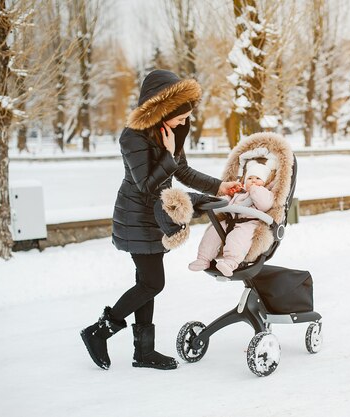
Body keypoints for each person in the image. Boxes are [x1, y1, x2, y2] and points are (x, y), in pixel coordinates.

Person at [80, 70, 240, 371]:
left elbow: (183, 172)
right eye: (180, 118)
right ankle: (98, 331)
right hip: (136, 215)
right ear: (163, 111)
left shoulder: (172, 132)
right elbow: (147, 186)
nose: (183, 124)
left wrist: (220, 187)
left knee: (147, 283)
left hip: (155, 216)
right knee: (153, 283)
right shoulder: (132, 138)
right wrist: (166, 154)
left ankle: (144, 352)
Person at [188, 159, 275, 277]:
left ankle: (230, 263)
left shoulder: (265, 193)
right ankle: (203, 258)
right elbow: (226, 202)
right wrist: (226, 197)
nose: (253, 180)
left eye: (258, 179)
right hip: (230, 220)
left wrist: (255, 189)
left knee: (237, 239)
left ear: (264, 182)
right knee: (212, 232)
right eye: (250, 178)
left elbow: (265, 205)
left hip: (249, 224)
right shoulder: (239, 194)